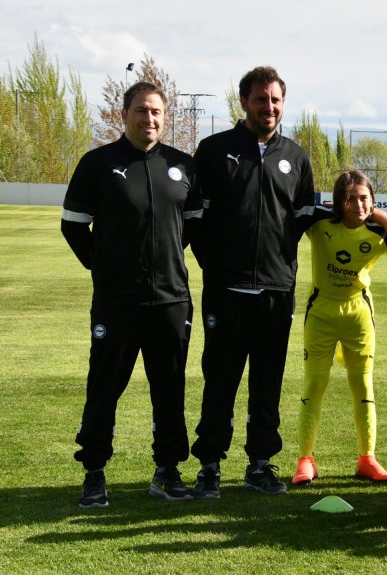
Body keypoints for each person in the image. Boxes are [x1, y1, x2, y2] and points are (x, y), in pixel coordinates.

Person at [61, 82, 203, 507]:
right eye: (141, 110)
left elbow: (192, 224)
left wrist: (166, 260)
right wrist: (103, 267)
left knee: (170, 388)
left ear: (166, 116)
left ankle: (168, 470)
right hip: (117, 301)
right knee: (105, 386)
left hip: (171, 300)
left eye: (157, 111)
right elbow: (72, 225)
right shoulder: (98, 163)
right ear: (125, 115)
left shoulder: (183, 167)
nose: (150, 118)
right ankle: (94, 472)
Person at [189, 66, 315, 497]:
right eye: (261, 99)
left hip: (276, 294)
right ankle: (209, 464)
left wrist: (277, 266)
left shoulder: (296, 157)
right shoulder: (212, 150)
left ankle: (260, 463)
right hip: (226, 291)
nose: (269, 107)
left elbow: (300, 221)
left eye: (276, 100)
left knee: (268, 383)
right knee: (219, 379)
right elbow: (195, 222)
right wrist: (219, 266)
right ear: (243, 102)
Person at [291, 170, 387, 487]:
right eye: (350, 198)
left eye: (364, 198)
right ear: (338, 201)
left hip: (358, 315)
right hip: (321, 312)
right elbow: (298, 210)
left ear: (373, 201)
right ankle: (305, 459)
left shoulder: (378, 231)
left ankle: (368, 458)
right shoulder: (320, 223)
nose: (357, 205)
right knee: (314, 386)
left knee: (363, 387)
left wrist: (382, 216)